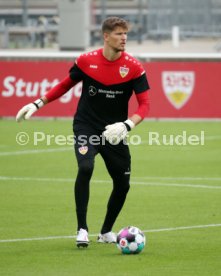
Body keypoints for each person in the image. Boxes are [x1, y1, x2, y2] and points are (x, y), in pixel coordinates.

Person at [16, 17, 150, 248]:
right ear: (106, 36)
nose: (124, 38)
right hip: (86, 126)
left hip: (114, 132)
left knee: (123, 184)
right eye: (119, 34)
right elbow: (64, 85)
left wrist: (127, 125)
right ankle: (82, 229)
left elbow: (145, 105)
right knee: (86, 167)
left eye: (125, 33)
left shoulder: (134, 67)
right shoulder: (86, 61)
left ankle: (106, 231)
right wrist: (38, 103)